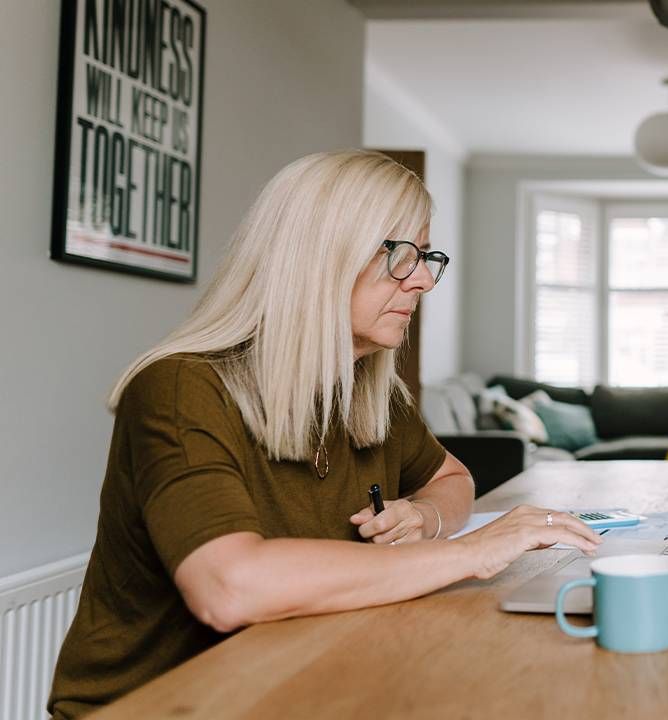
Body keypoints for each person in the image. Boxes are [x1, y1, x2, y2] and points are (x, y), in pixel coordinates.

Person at [48, 150, 601, 718]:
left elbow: (452, 477)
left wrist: (426, 517)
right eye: (402, 256)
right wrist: (471, 553)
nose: (423, 283)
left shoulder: (367, 392)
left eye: (428, 257)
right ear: (320, 256)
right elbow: (230, 588)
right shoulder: (180, 388)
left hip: (302, 683)